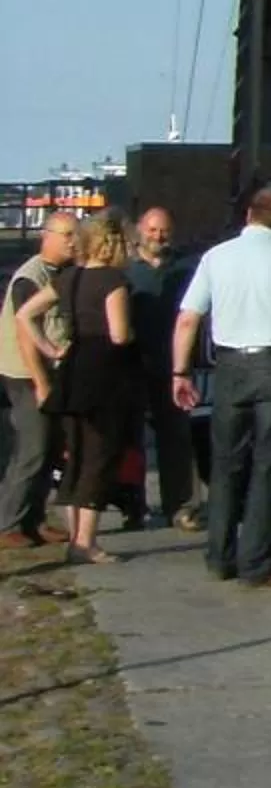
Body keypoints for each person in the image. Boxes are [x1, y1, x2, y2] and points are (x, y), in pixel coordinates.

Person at [169, 189, 271, 588]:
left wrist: (180, 372)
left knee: (226, 464)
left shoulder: (216, 257)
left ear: (248, 215)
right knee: (268, 466)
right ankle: (256, 563)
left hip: (230, 365)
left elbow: (188, 319)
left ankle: (219, 556)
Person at [38, 217, 138, 566]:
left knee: (75, 456)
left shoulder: (68, 277)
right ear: (113, 244)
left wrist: (50, 349)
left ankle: (74, 538)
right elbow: (119, 334)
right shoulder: (113, 280)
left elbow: (26, 314)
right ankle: (86, 542)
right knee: (100, 456)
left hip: (72, 369)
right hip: (104, 374)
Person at [0, 211, 81, 548]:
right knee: (33, 448)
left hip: (52, 373)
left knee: (50, 449)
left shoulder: (62, 272)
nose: (74, 242)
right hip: (25, 374)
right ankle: (8, 524)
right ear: (47, 236)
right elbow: (25, 334)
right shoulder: (29, 278)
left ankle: (34, 520)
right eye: (67, 235)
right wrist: (41, 384)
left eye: (76, 234)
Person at [125, 207, 199, 529]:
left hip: (174, 366)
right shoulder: (126, 269)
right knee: (131, 440)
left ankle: (180, 507)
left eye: (164, 230)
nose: (158, 236)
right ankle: (133, 507)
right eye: (152, 230)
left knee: (176, 439)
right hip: (133, 365)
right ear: (140, 230)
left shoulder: (186, 269)